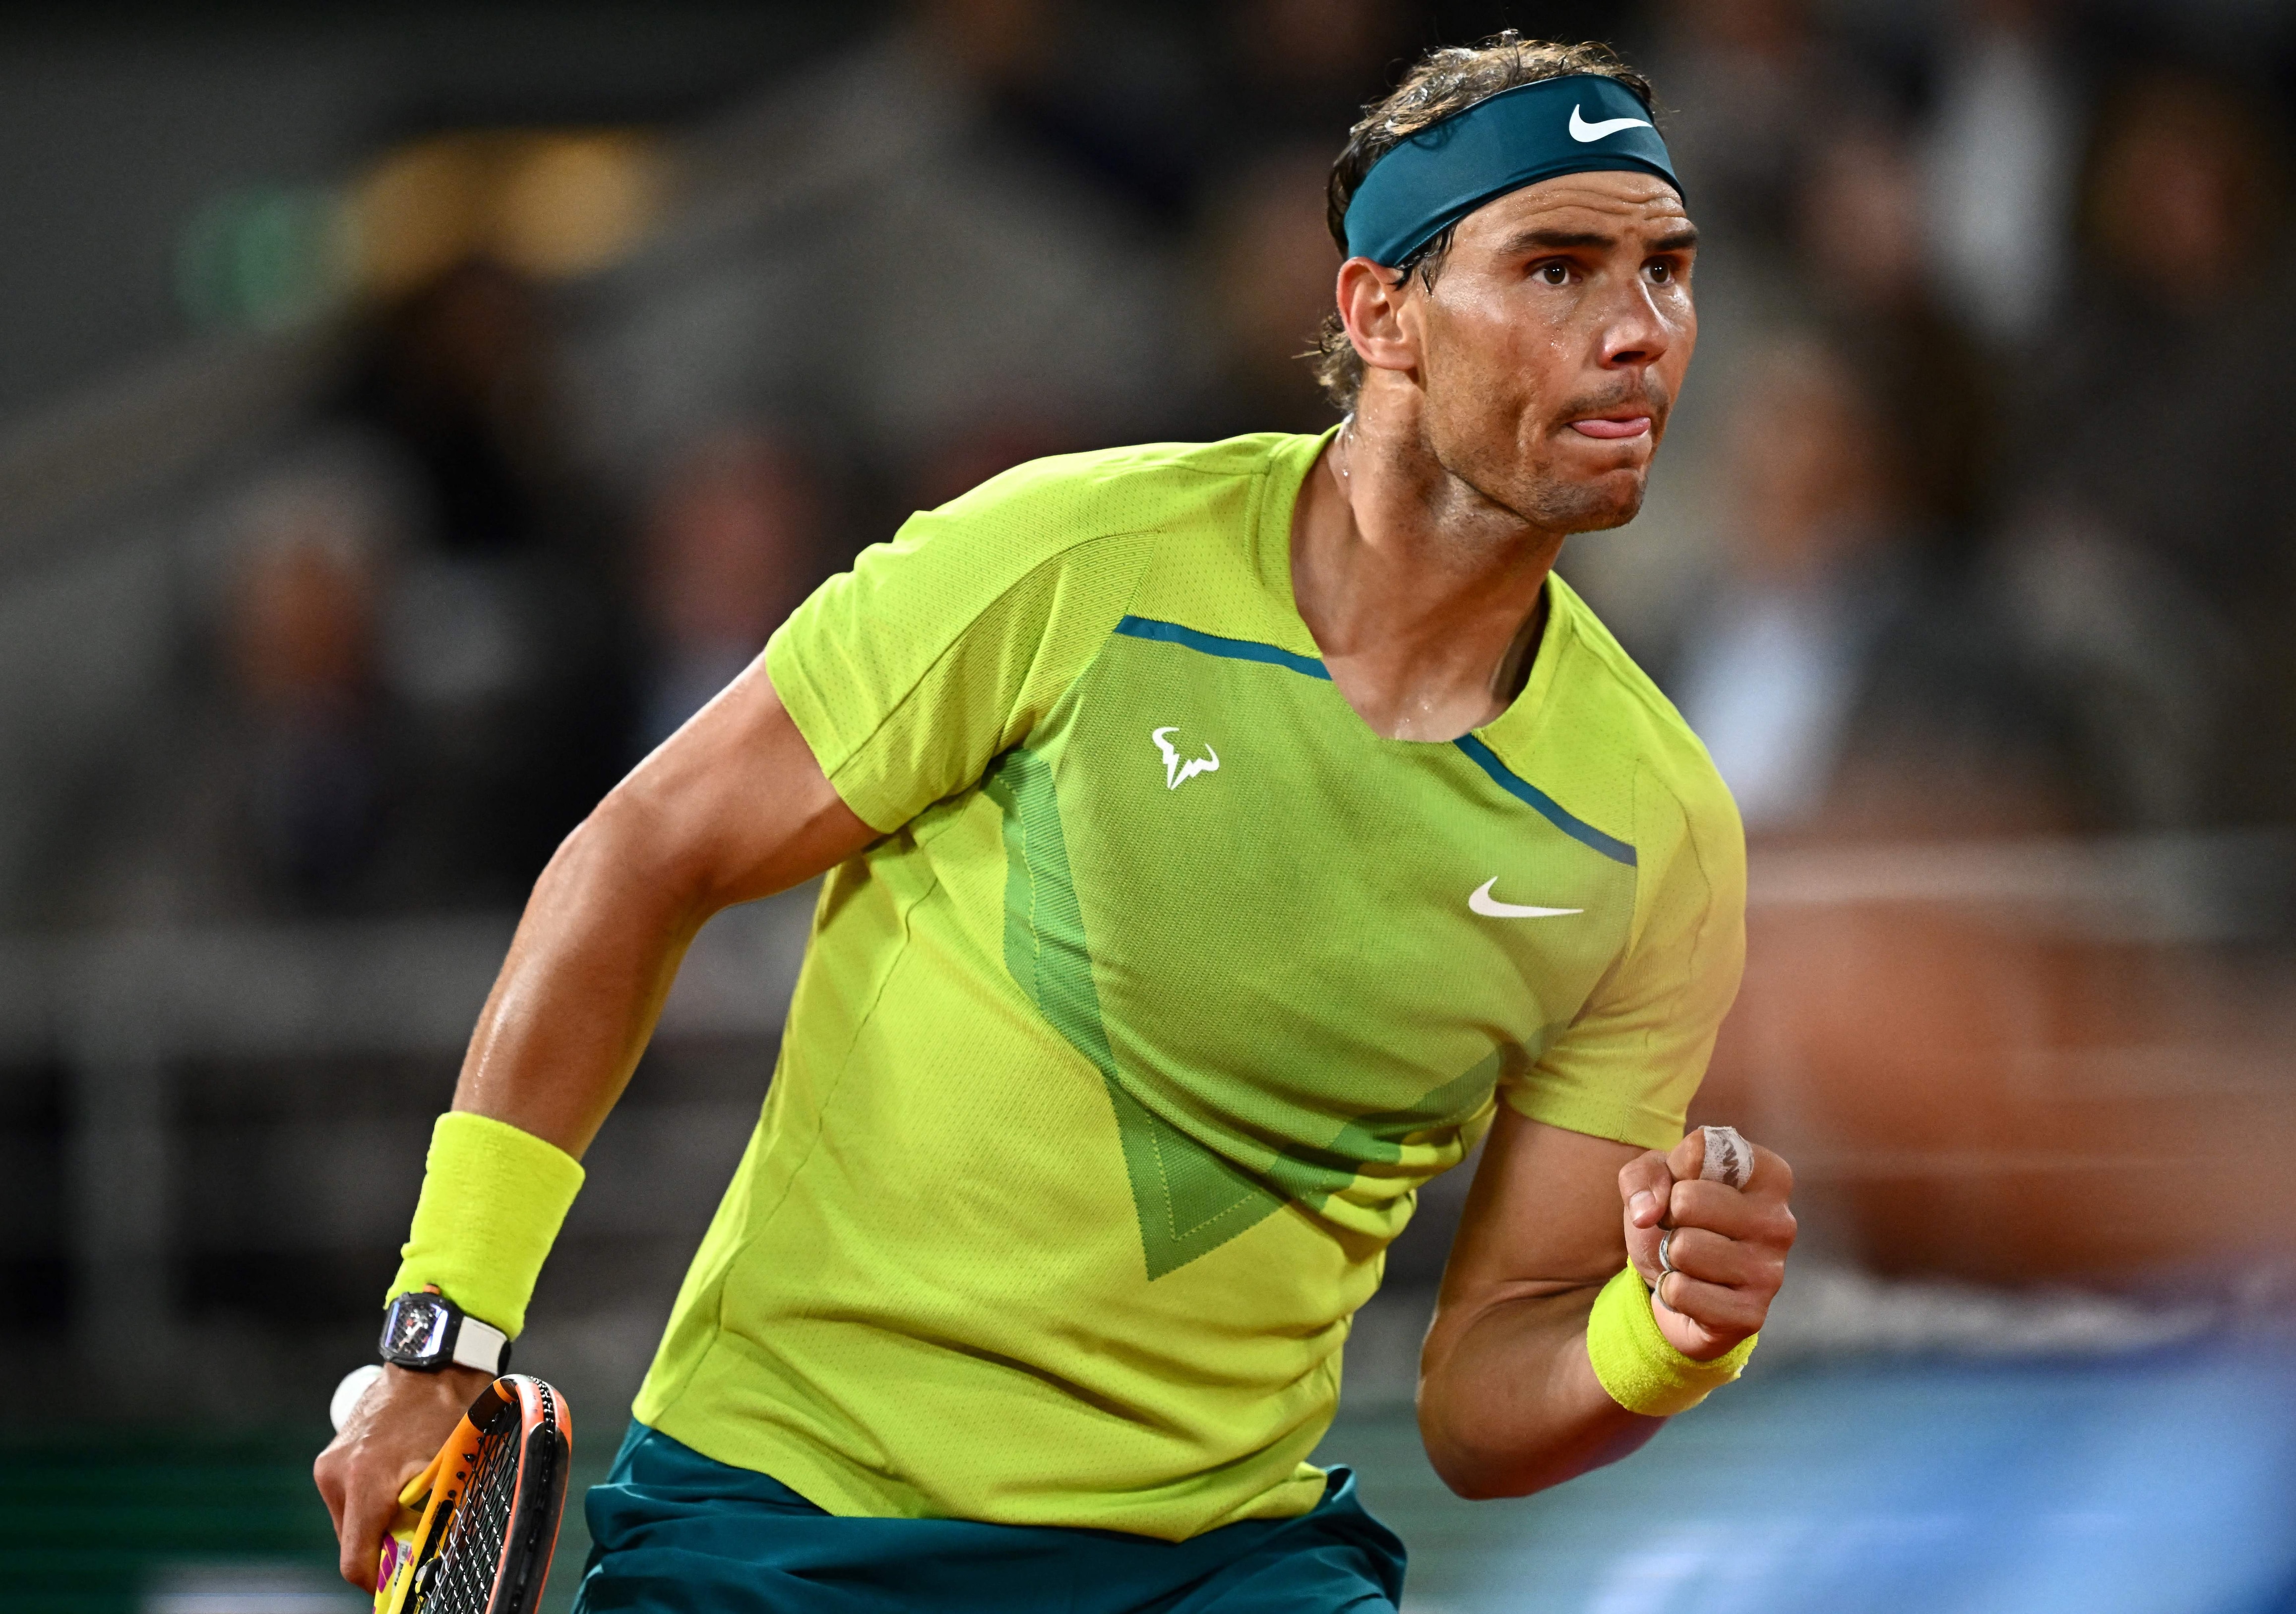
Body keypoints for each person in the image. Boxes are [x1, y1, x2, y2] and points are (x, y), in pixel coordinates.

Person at [315, 34, 1795, 1612]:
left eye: (1668, 270)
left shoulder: (1655, 828)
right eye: (1559, 268)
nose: (1638, 333)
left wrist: (1662, 1332)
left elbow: (1482, 1400)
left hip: (1217, 1568)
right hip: (791, 1522)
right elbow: (642, 855)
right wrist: (444, 1329)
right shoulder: (1072, 560)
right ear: (1381, 314)